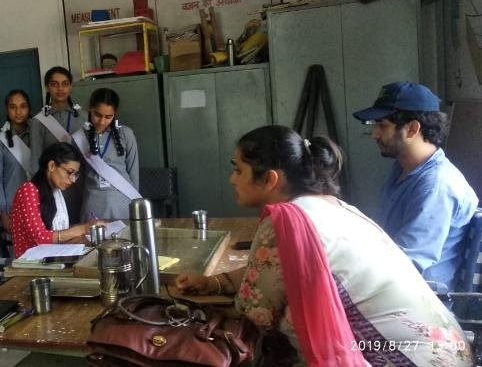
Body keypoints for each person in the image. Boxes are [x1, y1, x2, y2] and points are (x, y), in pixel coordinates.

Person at [176, 125, 472, 366]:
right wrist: (215, 283)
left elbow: (256, 314)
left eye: (238, 170)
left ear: (269, 179)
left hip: (404, 359)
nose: (232, 179)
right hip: (448, 350)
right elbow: (278, 270)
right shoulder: (331, 206)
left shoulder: (288, 220)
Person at [353, 81, 478, 287]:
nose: (375, 134)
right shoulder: (403, 168)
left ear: (412, 129)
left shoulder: (436, 185)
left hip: (419, 297)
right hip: (394, 283)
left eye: (382, 125)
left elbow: (407, 265)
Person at [10, 142, 102, 258]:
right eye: (70, 172)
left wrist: (85, 229)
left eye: (75, 174)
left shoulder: (54, 191)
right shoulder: (28, 190)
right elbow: (40, 238)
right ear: (52, 166)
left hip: (48, 256)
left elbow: (55, 232)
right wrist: (82, 229)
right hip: (30, 261)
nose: (73, 180)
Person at [29, 66, 87, 224]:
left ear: (71, 87)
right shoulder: (38, 122)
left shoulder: (84, 117)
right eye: (54, 84)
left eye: (65, 84)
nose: (60, 89)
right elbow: (35, 161)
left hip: (80, 184)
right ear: (47, 87)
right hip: (53, 188)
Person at [71, 88, 139, 220]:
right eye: (97, 114)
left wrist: (134, 201)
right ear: (90, 109)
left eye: (108, 117)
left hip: (123, 204)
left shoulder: (126, 134)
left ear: (115, 114)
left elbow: (133, 173)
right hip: (92, 206)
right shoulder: (79, 138)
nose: (102, 121)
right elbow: (78, 178)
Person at [0, 89, 32, 232]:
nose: (18, 112)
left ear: (29, 108)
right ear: (7, 110)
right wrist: (3, 212)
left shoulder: (37, 134)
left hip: (39, 203)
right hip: (13, 206)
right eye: (13, 107)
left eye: (23, 106)